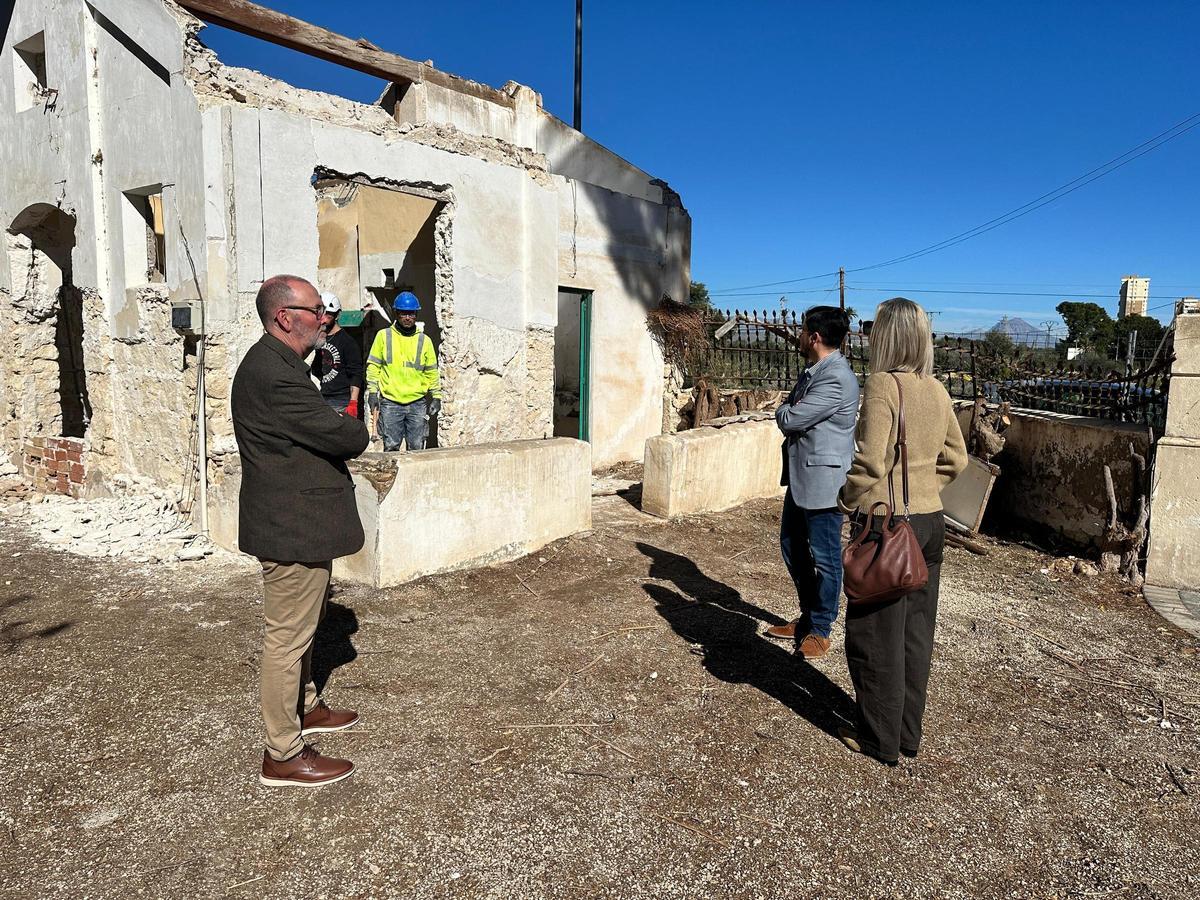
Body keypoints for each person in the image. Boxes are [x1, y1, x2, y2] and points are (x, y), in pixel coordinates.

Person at [231, 275, 370, 787]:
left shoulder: (282, 364)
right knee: (287, 639)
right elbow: (342, 434)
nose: (325, 319)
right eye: (316, 311)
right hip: (291, 525)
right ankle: (283, 754)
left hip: (301, 521)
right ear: (285, 318)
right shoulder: (275, 374)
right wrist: (353, 426)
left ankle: (306, 708)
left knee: (306, 628)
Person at [836, 297, 967, 765]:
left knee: (874, 635)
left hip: (885, 524)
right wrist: (928, 488)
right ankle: (908, 734)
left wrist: (845, 499)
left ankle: (878, 738)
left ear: (886, 337)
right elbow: (958, 458)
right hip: (930, 522)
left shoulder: (882, 385)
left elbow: (872, 461)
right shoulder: (937, 389)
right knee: (915, 633)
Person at [769, 306, 860, 659]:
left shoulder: (835, 377)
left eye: (804, 331)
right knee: (792, 546)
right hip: (803, 477)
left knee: (825, 556)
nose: (800, 336)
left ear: (815, 337)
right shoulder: (815, 371)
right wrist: (790, 408)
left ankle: (821, 628)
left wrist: (783, 409)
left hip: (824, 482)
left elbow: (790, 418)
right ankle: (808, 617)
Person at [365, 291, 442, 451]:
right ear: (396, 313)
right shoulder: (383, 336)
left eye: (411, 313)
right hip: (390, 402)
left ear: (416, 314)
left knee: (417, 448)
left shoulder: (424, 341)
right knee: (391, 447)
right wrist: (372, 392)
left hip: (417, 403)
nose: (407, 317)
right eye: (403, 313)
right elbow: (373, 366)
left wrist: (436, 396)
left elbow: (432, 372)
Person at [310, 292, 364, 419]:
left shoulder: (347, 342)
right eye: (321, 314)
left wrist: (353, 402)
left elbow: (356, 373)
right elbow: (315, 369)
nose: (323, 319)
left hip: (341, 400)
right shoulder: (317, 339)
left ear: (337, 315)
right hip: (321, 398)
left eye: (328, 314)